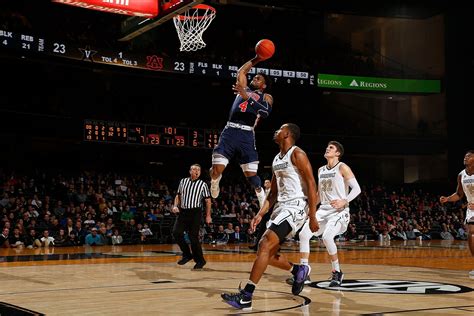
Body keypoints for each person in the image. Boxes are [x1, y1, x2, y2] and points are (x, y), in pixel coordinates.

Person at [221, 123, 319, 310]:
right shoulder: (276, 159)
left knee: (264, 244)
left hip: (296, 206)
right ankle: (298, 270)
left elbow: (312, 184)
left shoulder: (297, 154)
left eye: (280, 129)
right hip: (280, 207)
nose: (276, 131)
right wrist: (260, 214)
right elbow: (273, 193)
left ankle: (246, 296)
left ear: (287, 134)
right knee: (268, 254)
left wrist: (312, 216)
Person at [288, 141, 361, 287]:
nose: (327, 148)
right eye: (327, 147)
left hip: (339, 212)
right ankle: (304, 273)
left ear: (338, 153)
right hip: (323, 210)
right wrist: (310, 209)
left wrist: (344, 201)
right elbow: (319, 195)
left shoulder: (342, 167)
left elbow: (357, 189)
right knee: (303, 235)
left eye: (331, 148)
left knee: (327, 237)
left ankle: (337, 272)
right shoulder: (321, 170)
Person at [209, 54, 273, 208]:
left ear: (263, 86)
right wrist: (257, 58)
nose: (255, 79)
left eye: (258, 79)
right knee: (217, 169)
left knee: (251, 175)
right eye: (255, 77)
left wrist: (247, 98)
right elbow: (241, 72)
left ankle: (259, 191)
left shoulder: (266, 96)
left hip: (246, 134)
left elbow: (265, 113)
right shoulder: (243, 88)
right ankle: (215, 180)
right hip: (230, 131)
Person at [440, 150, 474, 279]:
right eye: (465, 156)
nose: (466, 157)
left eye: (469, 156)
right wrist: (447, 199)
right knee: (471, 233)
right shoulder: (461, 175)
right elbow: (459, 194)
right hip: (471, 208)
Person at [172, 164, 212, 270]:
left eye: (199, 169)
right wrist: (175, 205)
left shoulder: (203, 184)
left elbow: (208, 201)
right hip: (183, 211)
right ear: (190, 171)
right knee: (176, 232)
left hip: (195, 213)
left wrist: (208, 215)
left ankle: (200, 260)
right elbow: (178, 195)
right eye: (194, 169)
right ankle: (187, 255)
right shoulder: (183, 181)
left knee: (193, 237)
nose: (197, 171)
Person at [249, 179, 272, 251]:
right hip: (263, 212)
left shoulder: (273, 191)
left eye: (267, 182)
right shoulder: (262, 191)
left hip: (272, 212)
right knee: (261, 229)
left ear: (271, 184)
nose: (266, 183)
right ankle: (256, 245)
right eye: (265, 182)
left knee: (272, 229)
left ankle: (275, 247)